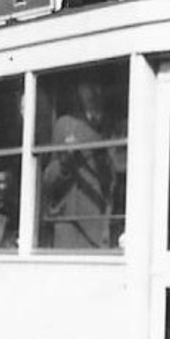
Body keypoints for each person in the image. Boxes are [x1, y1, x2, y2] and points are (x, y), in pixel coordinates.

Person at [42, 81, 121, 248]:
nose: (94, 93)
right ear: (79, 90)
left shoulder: (116, 129)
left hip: (107, 225)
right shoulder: (66, 126)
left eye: (99, 86)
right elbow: (48, 181)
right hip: (73, 229)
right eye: (88, 86)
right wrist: (64, 163)